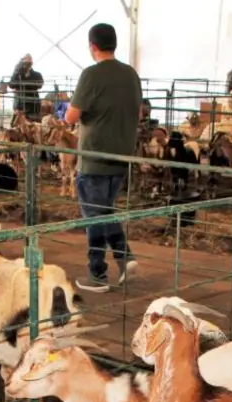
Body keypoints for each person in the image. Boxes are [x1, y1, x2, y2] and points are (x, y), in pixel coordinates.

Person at [65, 23, 142, 292]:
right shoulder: (131, 74)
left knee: (94, 216)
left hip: (94, 156)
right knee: (104, 210)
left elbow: (70, 116)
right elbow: (138, 113)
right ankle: (124, 259)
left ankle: (98, 273)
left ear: (93, 47)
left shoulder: (91, 75)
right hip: (121, 157)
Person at [9, 54, 44, 121]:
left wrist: (26, 78)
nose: (26, 65)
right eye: (25, 62)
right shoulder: (18, 74)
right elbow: (11, 84)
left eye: (29, 62)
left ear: (32, 63)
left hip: (33, 106)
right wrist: (16, 72)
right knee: (17, 126)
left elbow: (40, 85)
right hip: (19, 106)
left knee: (33, 126)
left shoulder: (37, 74)